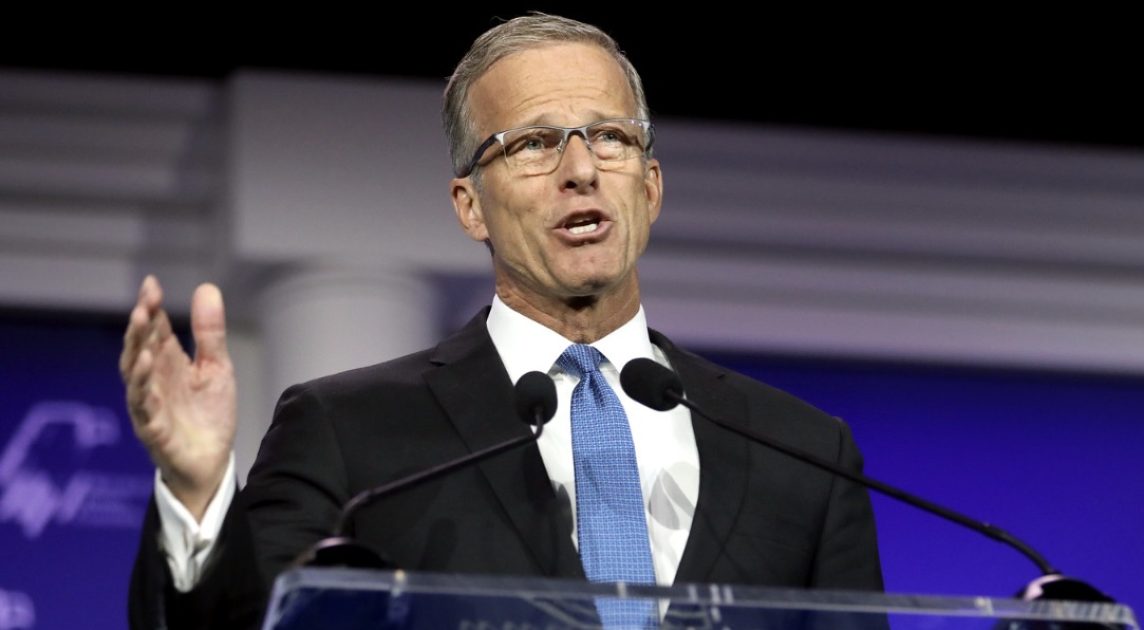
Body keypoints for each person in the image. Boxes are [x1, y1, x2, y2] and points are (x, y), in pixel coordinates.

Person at [122, 14, 883, 630]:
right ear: (469, 207)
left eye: (610, 137)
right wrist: (197, 495)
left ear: (650, 188)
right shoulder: (347, 432)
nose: (580, 169)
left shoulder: (803, 455)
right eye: (532, 143)